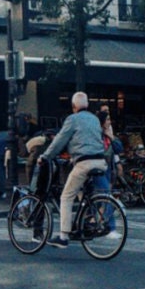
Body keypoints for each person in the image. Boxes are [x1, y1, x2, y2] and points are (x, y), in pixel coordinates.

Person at [41, 92, 116, 248]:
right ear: (87, 105)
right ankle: (87, 222)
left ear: (74, 107)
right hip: (100, 162)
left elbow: (60, 140)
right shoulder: (95, 119)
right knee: (90, 193)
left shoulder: (72, 119)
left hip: (84, 163)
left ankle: (63, 237)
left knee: (66, 196)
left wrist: (45, 156)